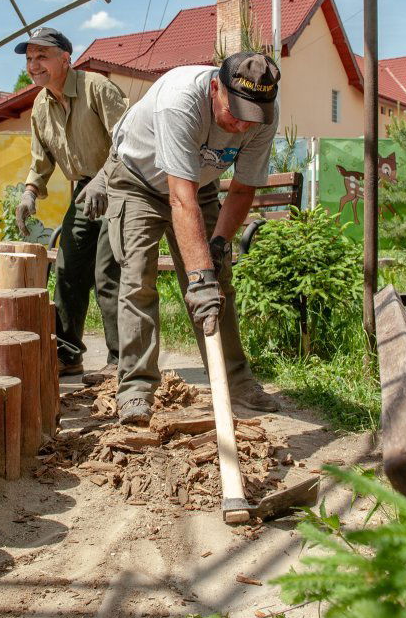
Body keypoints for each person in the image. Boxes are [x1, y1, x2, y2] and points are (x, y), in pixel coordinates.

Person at [104, 51, 282, 425]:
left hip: (198, 181)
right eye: (235, 114)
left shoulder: (262, 114)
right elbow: (178, 200)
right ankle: (136, 388)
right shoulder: (180, 101)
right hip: (138, 181)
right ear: (216, 87)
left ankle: (237, 382)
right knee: (138, 279)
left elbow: (242, 189)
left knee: (219, 283)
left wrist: (216, 248)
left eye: (252, 119)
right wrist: (198, 278)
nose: (242, 128)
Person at [13, 27, 127, 377]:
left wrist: (103, 181)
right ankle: (67, 354)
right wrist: (30, 192)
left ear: (66, 59)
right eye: (30, 59)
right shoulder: (40, 105)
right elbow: (41, 159)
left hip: (121, 186)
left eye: (41, 57)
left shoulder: (97, 88)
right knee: (67, 270)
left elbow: (128, 143)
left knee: (108, 273)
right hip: (83, 190)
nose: (34, 66)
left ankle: (122, 361)